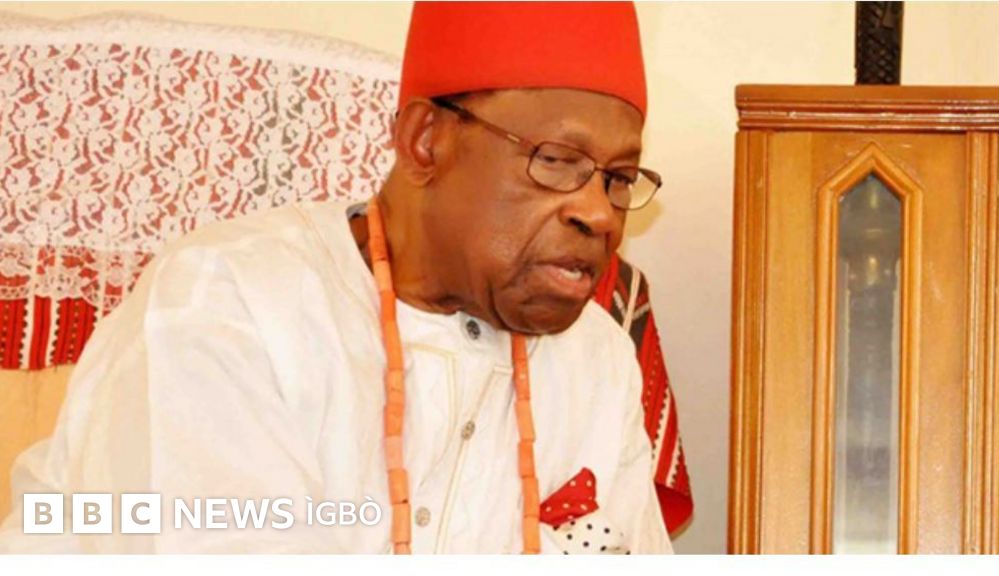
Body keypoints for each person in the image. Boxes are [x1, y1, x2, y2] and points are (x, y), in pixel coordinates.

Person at [0, 1, 672, 553]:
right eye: (556, 160)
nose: (598, 213)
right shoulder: (228, 301)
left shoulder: (599, 360)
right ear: (425, 142)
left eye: (617, 179)